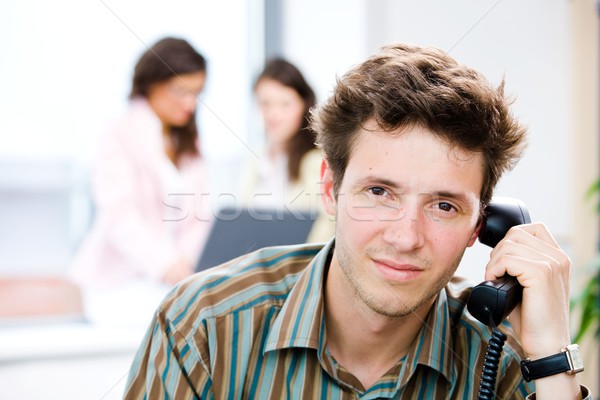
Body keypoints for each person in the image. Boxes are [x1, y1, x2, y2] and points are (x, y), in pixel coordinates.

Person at [123, 44, 591, 399]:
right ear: (330, 189)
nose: (406, 237)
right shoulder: (202, 327)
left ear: (480, 226)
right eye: (379, 192)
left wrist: (551, 352)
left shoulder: (500, 359)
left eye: (444, 206)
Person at [69, 37, 212, 325]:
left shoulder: (188, 140)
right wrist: (165, 263)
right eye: (180, 92)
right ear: (151, 84)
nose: (190, 104)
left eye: (196, 93)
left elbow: (199, 216)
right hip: (119, 281)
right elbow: (119, 214)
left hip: (174, 281)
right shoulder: (119, 132)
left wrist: (184, 265)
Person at [238, 57, 334, 242]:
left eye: (285, 104)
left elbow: (324, 230)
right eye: (266, 104)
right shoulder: (254, 159)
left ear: (303, 106)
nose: (274, 114)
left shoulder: (317, 162)